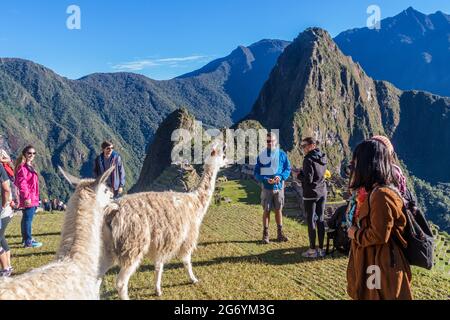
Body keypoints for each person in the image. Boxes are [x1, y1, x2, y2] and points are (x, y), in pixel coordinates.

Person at [346, 139, 412, 300]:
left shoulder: (381, 195)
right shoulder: (373, 192)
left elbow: (379, 235)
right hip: (371, 259)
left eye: (357, 161)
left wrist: (355, 233)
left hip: (380, 263)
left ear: (367, 163)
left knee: (375, 295)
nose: (354, 165)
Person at [254, 132, 291, 244]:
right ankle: (265, 235)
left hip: (279, 187)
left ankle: (280, 234)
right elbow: (256, 173)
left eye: (272, 141)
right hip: (267, 188)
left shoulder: (282, 155)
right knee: (267, 210)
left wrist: (280, 177)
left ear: (276, 141)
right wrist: (265, 179)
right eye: (267, 141)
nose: (270, 143)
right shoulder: (262, 156)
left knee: (279, 210)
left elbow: (287, 169)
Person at [297, 137, 328, 258]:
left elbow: (308, 180)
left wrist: (299, 175)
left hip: (311, 193)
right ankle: (321, 249)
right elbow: (319, 174)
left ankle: (312, 250)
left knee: (311, 220)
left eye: (304, 145)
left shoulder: (308, 159)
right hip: (322, 191)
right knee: (320, 219)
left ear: (311, 145)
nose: (303, 148)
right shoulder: (323, 157)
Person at [15, 145, 42, 248]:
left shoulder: (30, 165)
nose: (32, 155)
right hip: (29, 198)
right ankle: (28, 241)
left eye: (34, 153)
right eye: (29, 153)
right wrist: (26, 197)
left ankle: (26, 239)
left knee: (26, 218)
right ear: (24, 154)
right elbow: (22, 183)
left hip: (33, 197)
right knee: (28, 220)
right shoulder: (22, 167)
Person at [0, 159, 13, 276]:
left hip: (3, 211)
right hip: (6, 211)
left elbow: (6, 189)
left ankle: (6, 269)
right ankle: (7, 266)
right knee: (1, 237)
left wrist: (2, 206)